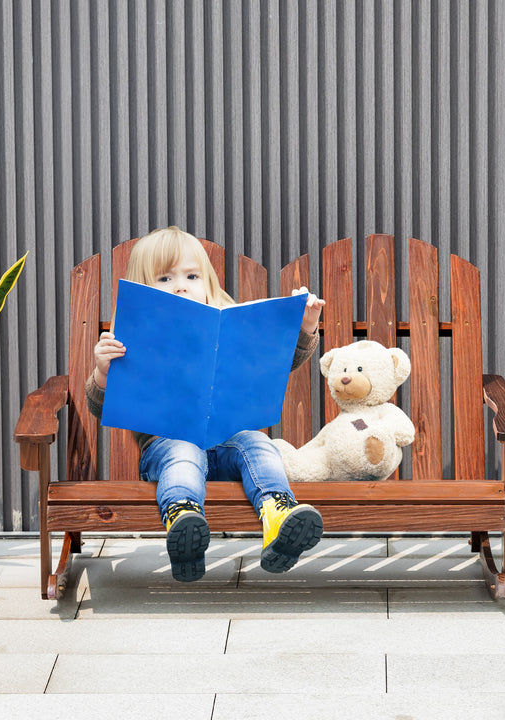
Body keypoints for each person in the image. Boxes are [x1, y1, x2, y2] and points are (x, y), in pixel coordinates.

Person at [85, 226, 326, 582]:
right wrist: (104, 373)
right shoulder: (131, 339)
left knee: (258, 443)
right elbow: (99, 406)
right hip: (167, 449)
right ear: (143, 290)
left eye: (191, 275)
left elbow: (278, 361)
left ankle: (278, 513)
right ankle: (183, 520)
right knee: (184, 451)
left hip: (227, 442)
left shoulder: (227, 325)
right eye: (164, 278)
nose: (180, 285)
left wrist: (305, 326)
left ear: (209, 282)